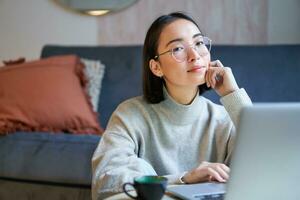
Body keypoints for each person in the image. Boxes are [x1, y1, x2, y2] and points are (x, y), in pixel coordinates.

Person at [91, 12, 252, 199]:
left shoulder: (225, 119)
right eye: (177, 48)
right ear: (156, 67)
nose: (194, 55)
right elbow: (108, 179)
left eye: (199, 43)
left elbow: (270, 166)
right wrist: (184, 178)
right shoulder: (130, 115)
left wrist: (232, 94)